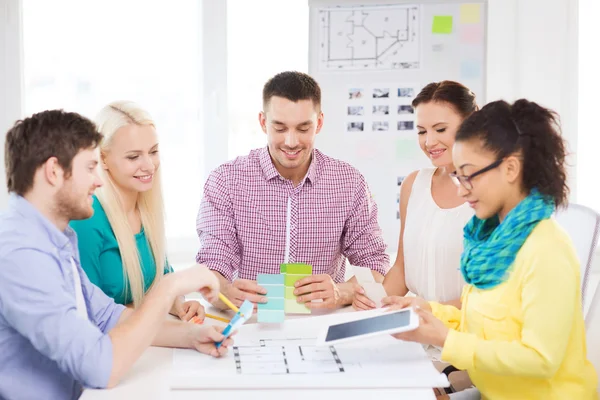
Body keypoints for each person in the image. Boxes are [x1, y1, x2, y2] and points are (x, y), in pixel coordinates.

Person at [0, 110, 232, 400]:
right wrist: (170, 285)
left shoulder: (55, 238)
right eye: (90, 168)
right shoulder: (21, 254)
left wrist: (190, 337)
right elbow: (100, 367)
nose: (99, 181)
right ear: (54, 172)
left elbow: (109, 316)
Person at [386, 99, 598, 399]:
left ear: (510, 168)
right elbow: (483, 327)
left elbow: (540, 360)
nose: (461, 189)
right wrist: (427, 311)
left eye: (469, 174)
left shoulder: (546, 249)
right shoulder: (491, 243)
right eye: (458, 175)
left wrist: (445, 338)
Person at [196, 71, 389, 310]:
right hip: (249, 323)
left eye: (302, 128)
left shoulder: (349, 182)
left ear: (318, 123)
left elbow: (375, 264)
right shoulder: (225, 180)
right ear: (263, 122)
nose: (290, 142)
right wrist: (223, 290)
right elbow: (212, 264)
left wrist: (342, 292)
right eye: (279, 128)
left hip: (322, 323)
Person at [70, 101, 203, 321]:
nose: (149, 165)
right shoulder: (87, 220)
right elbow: (91, 314)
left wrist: (180, 305)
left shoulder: (147, 210)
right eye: (133, 157)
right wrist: (153, 310)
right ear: (103, 158)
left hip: (146, 344)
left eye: (153, 152)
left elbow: (162, 281)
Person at [353, 81, 475, 311]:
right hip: (418, 332)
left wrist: (425, 312)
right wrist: (375, 301)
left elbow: (496, 296)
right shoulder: (414, 185)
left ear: (470, 124)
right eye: (421, 131)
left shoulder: (491, 193)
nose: (429, 142)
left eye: (440, 130)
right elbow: (402, 268)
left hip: (467, 334)